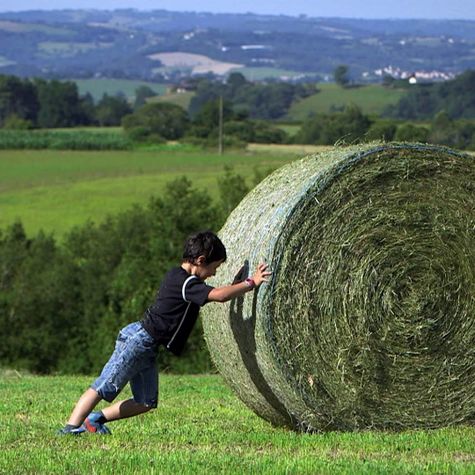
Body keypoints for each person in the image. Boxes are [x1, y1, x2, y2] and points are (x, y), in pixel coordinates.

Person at [57, 230, 271, 435]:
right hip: (138, 341)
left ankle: (95, 419)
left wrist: (235, 287)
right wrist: (250, 282)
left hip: (148, 346)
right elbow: (219, 296)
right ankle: (70, 428)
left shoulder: (183, 279)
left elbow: (208, 296)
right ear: (200, 260)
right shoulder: (186, 282)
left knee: (145, 402)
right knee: (103, 386)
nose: (214, 273)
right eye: (214, 268)